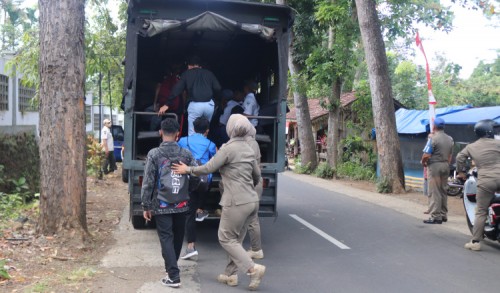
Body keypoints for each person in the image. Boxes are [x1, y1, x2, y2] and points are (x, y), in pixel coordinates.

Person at [172, 114, 266, 290]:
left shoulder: (227, 149)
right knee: (235, 241)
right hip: (252, 200)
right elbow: (257, 176)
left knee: (225, 238)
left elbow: (208, 168)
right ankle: (231, 275)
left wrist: (188, 169)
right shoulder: (249, 149)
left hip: (236, 201)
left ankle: (253, 269)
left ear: (229, 130)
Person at [140, 118, 199, 288]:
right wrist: (189, 190)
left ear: (160, 132)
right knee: (178, 236)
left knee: (166, 237)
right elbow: (196, 176)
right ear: (178, 134)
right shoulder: (186, 154)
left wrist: (146, 205)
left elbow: (148, 182)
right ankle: (171, 270)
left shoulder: (154, 154)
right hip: (182, 202)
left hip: (161, 203)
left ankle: (173, 275)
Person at [456, 119, 500, 251]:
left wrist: (461, 172)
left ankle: (475, 242)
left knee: (481, 211)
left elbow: (459, 157)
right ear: (490, 131)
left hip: (486, 181)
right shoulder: (498, 143)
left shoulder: (471, 146)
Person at [177, 117, 217, 260]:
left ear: (193, 128)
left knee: (189, 214)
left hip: (189, 178)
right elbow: (216, 160)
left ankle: (191, 246)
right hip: (204, 180)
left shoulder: (183, 141)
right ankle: (201, 209)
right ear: (207, 130)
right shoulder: (211, 144)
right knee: (207, 183)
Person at [159, 55, 221, 136]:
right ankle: (203, 147)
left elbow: (177, 89)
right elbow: (218, 88)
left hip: (195, 105)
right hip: (209, 105)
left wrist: (167, 104)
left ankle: (193, 148)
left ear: (189, 65)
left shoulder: (187, 73)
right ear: (200, 65)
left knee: (193, 134)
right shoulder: (209, 73)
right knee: (205, 131)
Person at [421, 117, 454, 224]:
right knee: (443, 190)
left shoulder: (433, 139)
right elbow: (450, 155)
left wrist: (423, 162)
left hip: (435, 166)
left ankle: (436, 216)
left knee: (435, 191)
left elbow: (426, 154)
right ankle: (443, 214)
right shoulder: (450, 139)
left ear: (434, 126)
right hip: (445, 165)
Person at [242, 123, 265, 260]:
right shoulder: (253, 143)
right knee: (251, 217)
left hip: (249, 183)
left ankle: (256, 249)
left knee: (251, 218)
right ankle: (255, 248)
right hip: (253, 183)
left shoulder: (248, 144)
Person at [149, 63, 185, 131]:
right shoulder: (180, 80)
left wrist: (155, 103)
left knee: (163, 123)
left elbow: (158, 88)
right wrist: (184, 106)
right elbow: (184, 93)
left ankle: (154, 133)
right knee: (176, 126)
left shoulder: (165, 80)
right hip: (176, 108)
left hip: (164, 106)